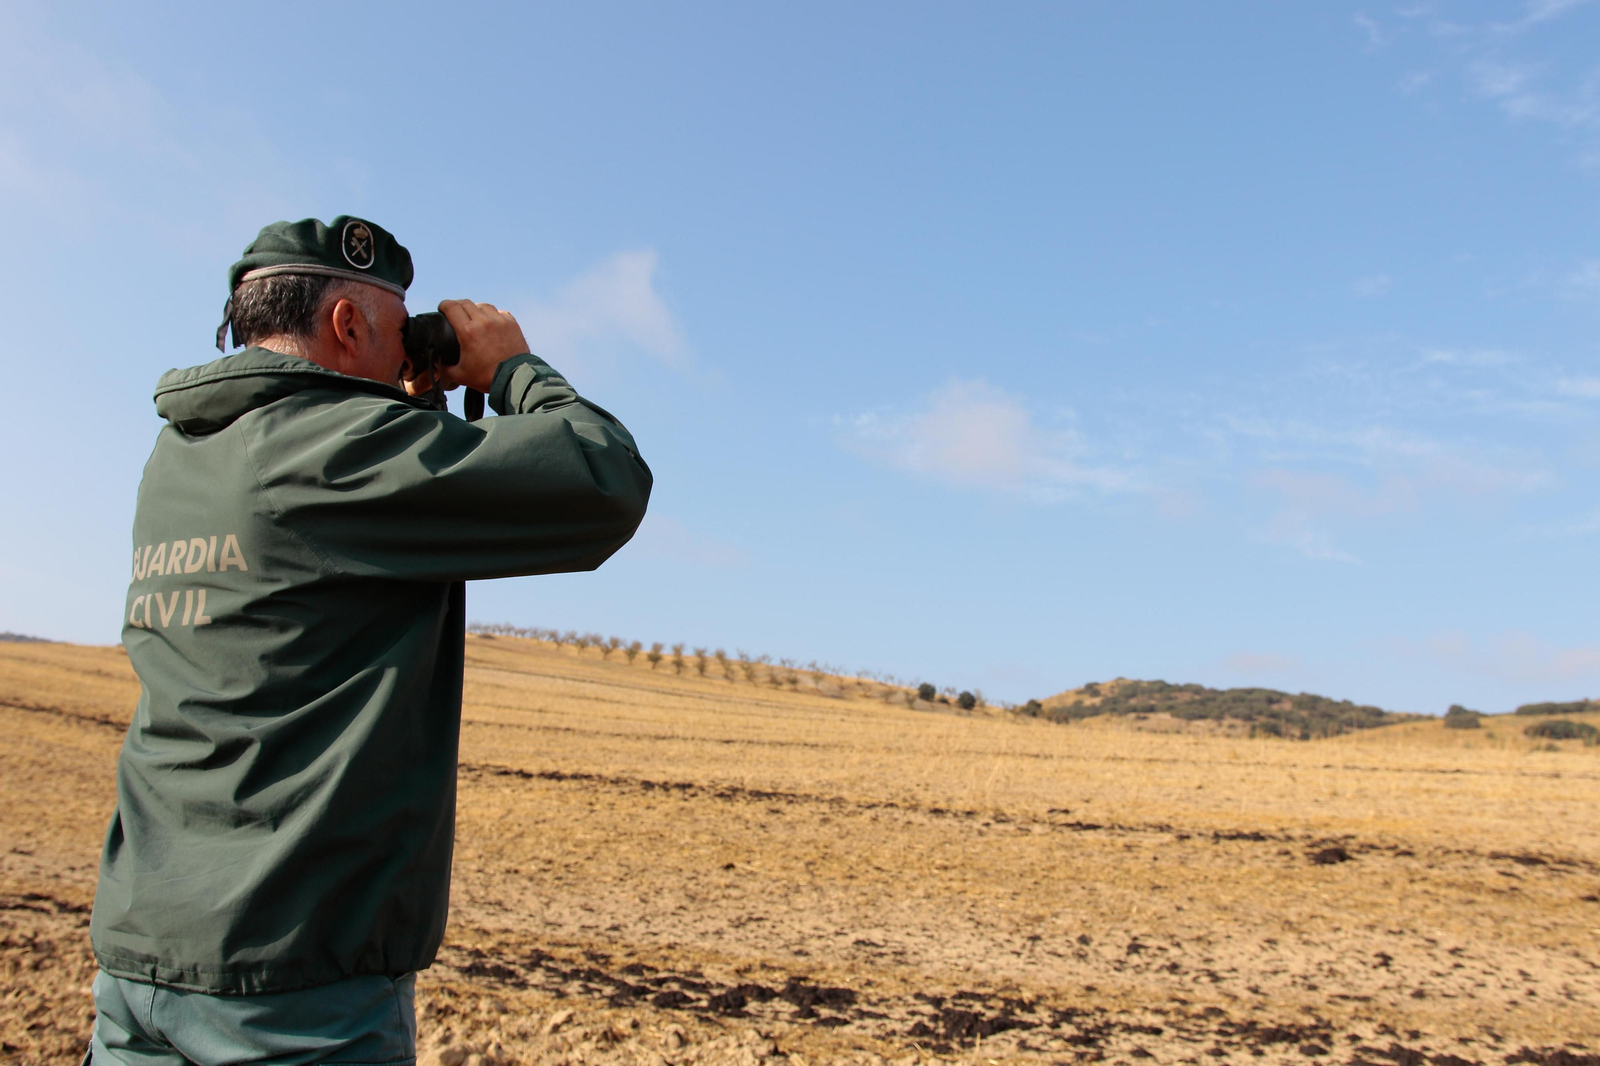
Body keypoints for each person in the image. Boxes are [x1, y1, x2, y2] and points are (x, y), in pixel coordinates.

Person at [88, 216, 653, 1065]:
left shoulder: (183, 455)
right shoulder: (331, 449)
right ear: (348, 326)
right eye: (396, 329)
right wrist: (512, 370)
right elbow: (601, 480)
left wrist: (411, 401)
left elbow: (327, 578)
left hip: (145, 950)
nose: (403, 351)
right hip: (290, 984)